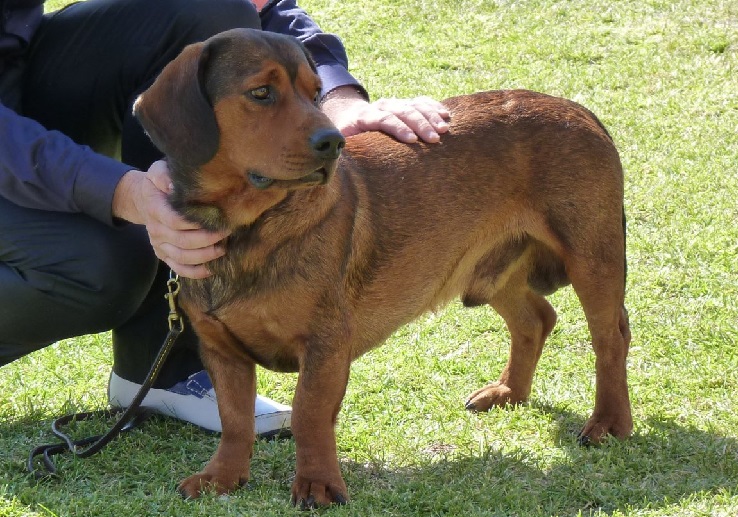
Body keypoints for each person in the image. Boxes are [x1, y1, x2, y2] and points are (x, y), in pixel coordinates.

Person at [0, 0, 449, 437]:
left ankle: (161, 368)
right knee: (104, 265)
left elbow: (263, 6)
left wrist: (336, 96)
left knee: (210, 7)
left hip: (16, 66)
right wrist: (120, 190)